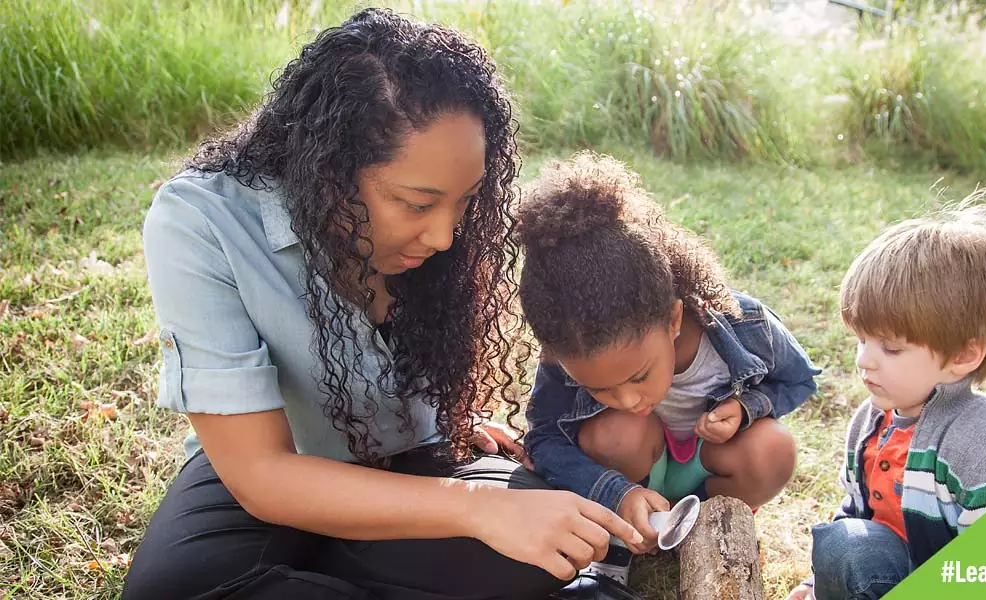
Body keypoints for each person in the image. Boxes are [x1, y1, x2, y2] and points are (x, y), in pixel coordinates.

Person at [122, 10, 640, 600]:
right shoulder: (201, 221)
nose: (446, 237)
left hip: (407, 458)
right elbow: (260, 475)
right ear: (327, 171)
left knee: (546, 545)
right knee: (174, 591)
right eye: (416, 205)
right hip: (269, 475)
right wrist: (474, 508)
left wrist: (453, 442)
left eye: (465, 201)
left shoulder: (440, 238)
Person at [515, 153, 822, 586]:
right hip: (630, 468)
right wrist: (615, 492)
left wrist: (748, 406)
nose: (628, 399)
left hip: (709, 467)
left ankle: (709, 526)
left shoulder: (741, 324)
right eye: (599, 389)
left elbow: (799, 378)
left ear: (674, 320)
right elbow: (544, 438)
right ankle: (619, 542)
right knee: (619, 429)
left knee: (773, 449)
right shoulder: (570, 349)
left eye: (639, 376)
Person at [787, 200, 986, 600]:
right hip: (897, 565)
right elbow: (856, 514)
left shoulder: (982, 443)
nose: (864, 360)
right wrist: (816, 582)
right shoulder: (872, 421)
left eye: (891, 348)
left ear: (962, 356)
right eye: (862, 340)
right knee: (844, 545)